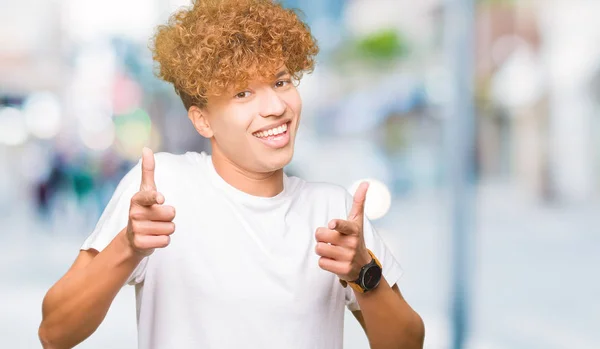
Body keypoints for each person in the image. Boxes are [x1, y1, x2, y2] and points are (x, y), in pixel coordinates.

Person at [38, 0, 425, 348]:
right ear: (202, 120)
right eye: (243, 93)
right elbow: (54, 333)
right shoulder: (163, 189)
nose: (275, 106)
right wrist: (128, 247)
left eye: (281, 81)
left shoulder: (334, 211)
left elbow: (408, 343)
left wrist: (364, 273)